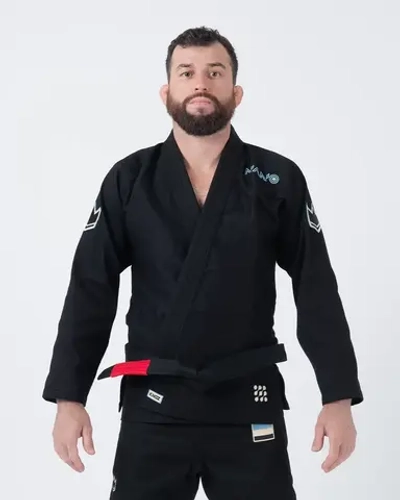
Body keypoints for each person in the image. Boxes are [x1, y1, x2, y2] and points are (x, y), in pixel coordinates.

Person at [42, 26, 363, 499]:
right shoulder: (130, 180)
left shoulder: (276, 179)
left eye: (215, 73)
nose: (200, 84)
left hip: (248, 399)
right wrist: (70, 396)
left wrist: (338, 395)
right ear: (166, 92)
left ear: (236, 92)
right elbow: (91, 287)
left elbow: (315, 287)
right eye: (186, 73)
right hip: (155, 407)